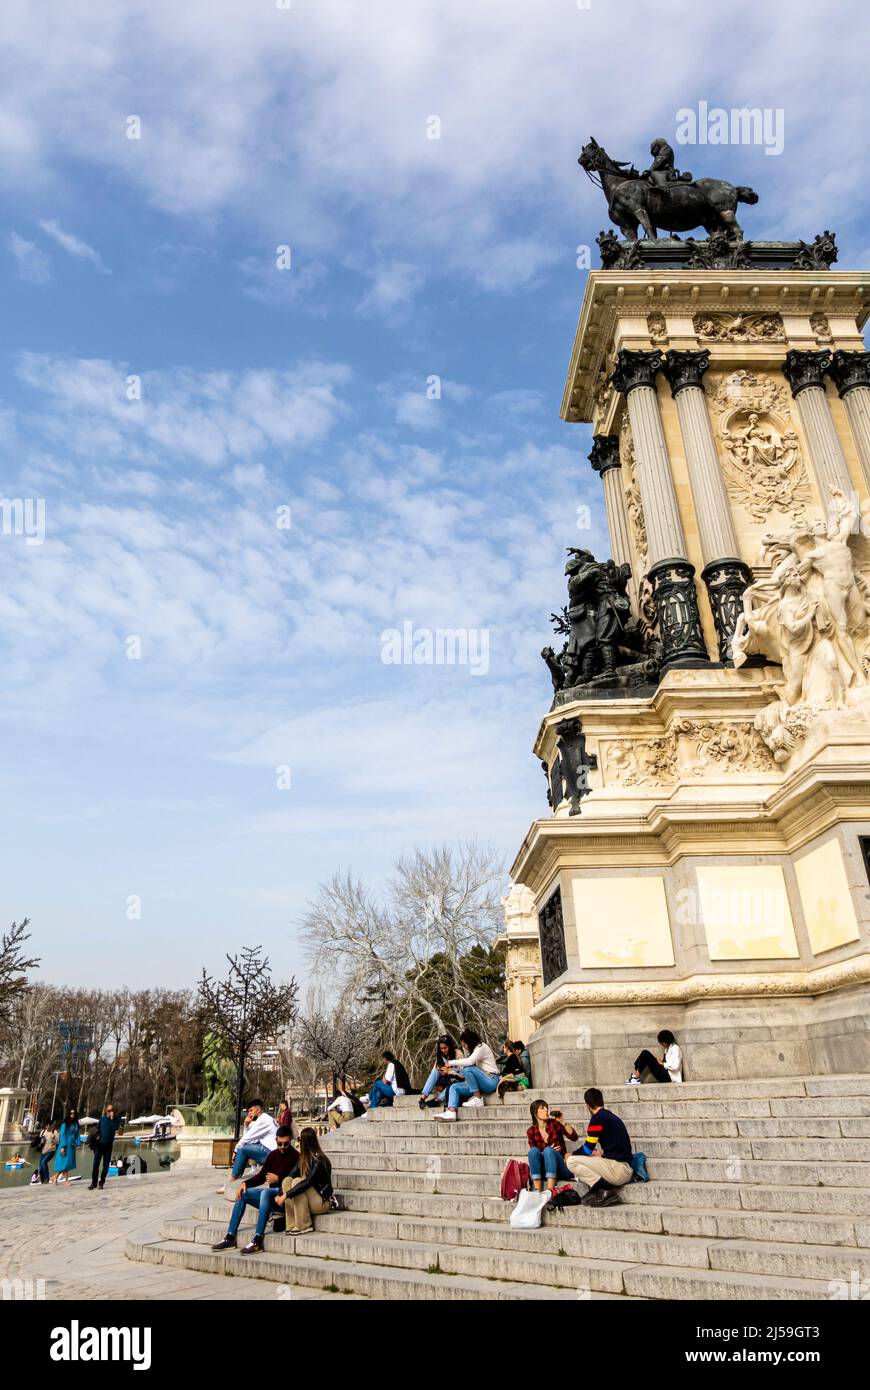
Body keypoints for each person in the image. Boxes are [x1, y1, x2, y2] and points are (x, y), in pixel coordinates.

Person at [211, 1126, 299, 1255]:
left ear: (290, 1141)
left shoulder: (296, 1156)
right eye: (280, 1143)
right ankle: (230, 1236)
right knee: (244, 1194)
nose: (282, 1147)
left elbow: (295, 1182)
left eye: (285, 1144)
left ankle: (258, 1239)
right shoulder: (273, 1155)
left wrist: (279, 1178)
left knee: (265, 1192)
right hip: (271, 1198)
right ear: (276, 1140)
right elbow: (262, 1176)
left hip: (284, 1200)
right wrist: (245, 1183)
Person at [567, 1088, 634, 1207]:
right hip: (624, 1168)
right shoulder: (611, 1116)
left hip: (618, 1170)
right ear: (602, 1101)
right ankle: (598, 1188)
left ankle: (602, 1189)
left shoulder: (597, 1118)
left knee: (571, 1162)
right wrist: (602, 1156)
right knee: (593, 1156)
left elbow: (587, 1149)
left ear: (587, 1106)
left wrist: (571, 1154)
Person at [436, 1029, 500, 1121]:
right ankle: (451, 1112)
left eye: (464, 1044)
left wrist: (451, 1062)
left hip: (491, 1080)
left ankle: (478, 1098)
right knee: (454, 1087)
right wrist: (455, 1070)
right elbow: (467, 1071)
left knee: (468, 1068)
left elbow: (469, 1062)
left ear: (469, 1042)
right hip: (480, 1083)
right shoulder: (474, 1050)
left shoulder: (481, 1047)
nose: (464, 1047)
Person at [281, 1127, 334, 1236]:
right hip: (311, 1198)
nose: (298, 1142)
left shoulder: (319, 1161)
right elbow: (291, 1175)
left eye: (300, 1139)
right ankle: (291, 1224)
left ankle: (304, 1225)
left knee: (297, 1182)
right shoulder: (303, 1159)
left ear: (304, 1142)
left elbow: (307, 1183)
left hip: (322, 1202)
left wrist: (286, 1195)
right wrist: (280, 1193)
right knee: (287, 1181)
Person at [526, 1098, 580, 1193]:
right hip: (544, 1169)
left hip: (561, 1167)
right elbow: (535, 1156)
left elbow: (574, 1137)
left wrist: (562, 1122)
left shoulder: (554, 1124)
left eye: (546, 1107)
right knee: (533, 1151)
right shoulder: (531, 1131)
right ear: (535, 1113)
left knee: (548, 1150)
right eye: (542, 1108)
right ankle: (537, 1191)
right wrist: (546, 1151)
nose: (546, 1110)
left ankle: (550, 1191)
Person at [226, 1100, 279, 1182]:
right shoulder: (265, 1118)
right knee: (244, 1147)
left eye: (251, 1110)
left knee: (242, 1149)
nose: (249, 1113)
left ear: (258, 1110)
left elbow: (246, 1138)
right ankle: (236, 1176)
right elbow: (250, 1140)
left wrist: (235, 1151)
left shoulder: (262, 1120)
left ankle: (232, 1179)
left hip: (271, 1154)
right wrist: (246, 1125)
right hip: (273, 1152)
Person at [418, 1034, 463, 1110]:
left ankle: (437, 1100)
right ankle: (423, 1097)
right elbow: (436, 1072)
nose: (443, 1050)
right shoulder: (440, 1056)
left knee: (452, 1082)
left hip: (457, 1079)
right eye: (441, 1048)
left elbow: (462, 1073)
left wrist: (448, 1071)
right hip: (444, 1080)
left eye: (445, 1048)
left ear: (450, 1046)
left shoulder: (458, 1053)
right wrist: (442, 1070)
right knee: (435, 1070)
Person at [89, 1103, 123, 1190]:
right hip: (99, 1145)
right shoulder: (102, 1119)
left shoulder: (116, 1119)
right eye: (109, 1111)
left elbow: (115, 1128)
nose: (110, 1112)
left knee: (106, 1166)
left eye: (112, 1110)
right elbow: (98, 1128)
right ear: (106, 1111)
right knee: (95, 1165)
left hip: (108, 1145)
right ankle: (94, 1183)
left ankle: (101, 1182)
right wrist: (96, 1135)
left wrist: (112, 1118)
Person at [52, 1107, 82, 1184]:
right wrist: (63, 1146)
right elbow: (63, 1135)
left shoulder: (75, 1124)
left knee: (66, 1163)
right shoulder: (65, 1124)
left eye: (74, 1113)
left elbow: (77, 1134)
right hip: (65, 1145)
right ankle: (66, 1180)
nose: (72, 1114)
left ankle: (55, 1177)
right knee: (65, 1162)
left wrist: (78, 1144)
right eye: (71, 1113)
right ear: (68, 1114)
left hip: (71, 1145)